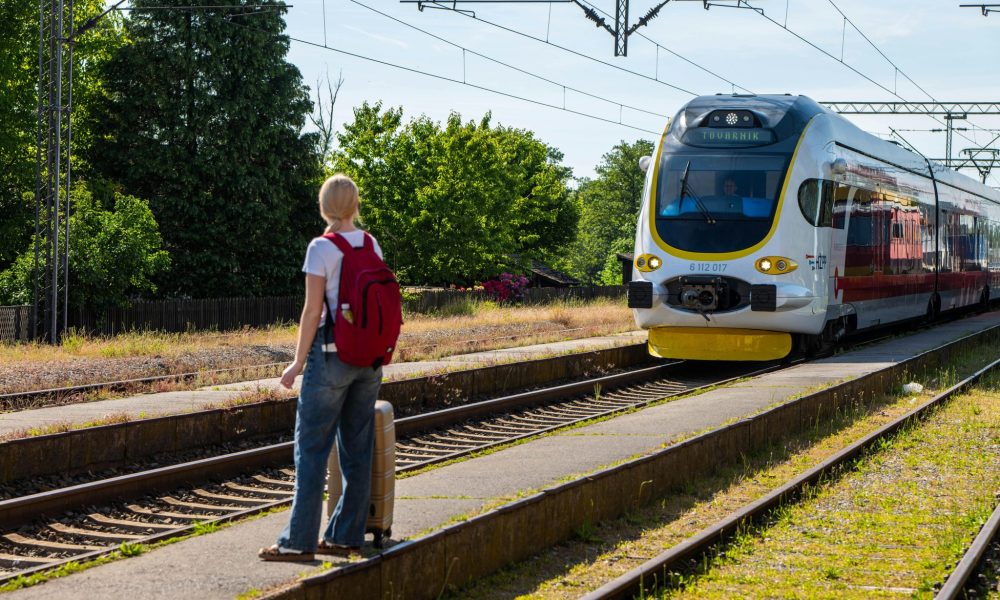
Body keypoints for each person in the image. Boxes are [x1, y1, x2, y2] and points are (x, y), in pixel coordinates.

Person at [258, 174, 384, 562]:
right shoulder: (371, 244)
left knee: (311, 451)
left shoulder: (321, 248)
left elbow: (313, 311)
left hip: (331, 358)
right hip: (370, 362)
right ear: (356, 205)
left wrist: (297, 363)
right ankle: (346, 537)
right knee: (357, 451)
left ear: (323, 207)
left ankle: (298, 542)